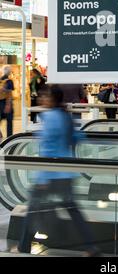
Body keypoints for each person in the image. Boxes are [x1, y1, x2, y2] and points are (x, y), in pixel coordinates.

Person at [17, 84, 100, 256]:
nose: (41, 99)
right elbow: (76, 138)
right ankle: (91, 246)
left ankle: (23, 247)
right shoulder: (64, 116)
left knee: (33, 209)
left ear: (53, 98)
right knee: (73, 210)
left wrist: (43, 179)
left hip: (51, 175)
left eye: (45, 96)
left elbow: (48, 149)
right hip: (66, 172)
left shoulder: (50, 117)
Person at [0, 65, 14, 137]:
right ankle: (9, 137)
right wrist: (8, 105)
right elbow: (9, 93)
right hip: (6, 103)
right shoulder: (9, 81)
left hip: (0, 103)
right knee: (9, 122)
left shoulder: (0, 79)